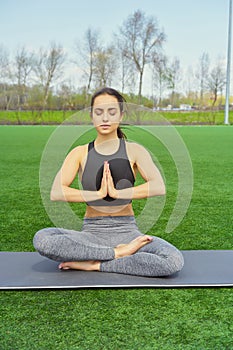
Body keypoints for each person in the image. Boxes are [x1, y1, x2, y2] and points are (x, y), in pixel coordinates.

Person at [33, 87, 184, 277]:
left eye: (112, 112)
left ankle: (96, 264)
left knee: (173, 260)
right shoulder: (79, 153)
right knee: (43, 239)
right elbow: (56, 192)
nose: (105, 118)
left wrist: (118, 193)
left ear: (121, 115)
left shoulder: (134, 150)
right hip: (91, 234)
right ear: (91, 116)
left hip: (128, 232)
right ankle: (117, 254)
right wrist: (97, 194)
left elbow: (158, 186)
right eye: (99, 112)